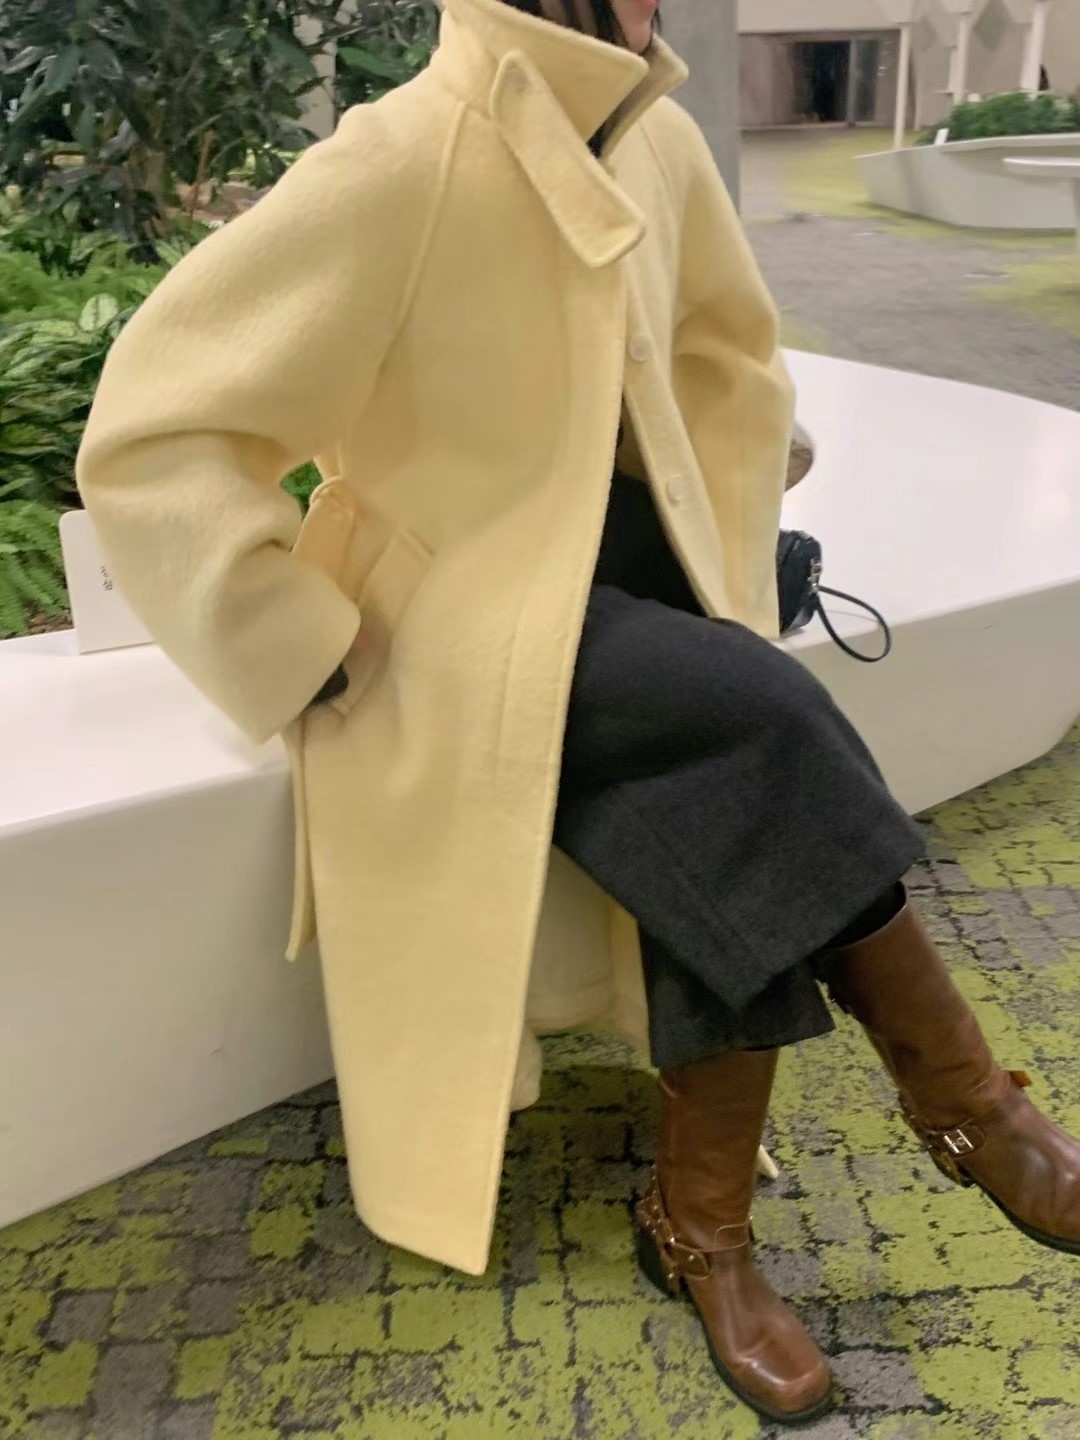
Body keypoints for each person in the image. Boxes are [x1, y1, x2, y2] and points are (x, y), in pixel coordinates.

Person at [77, 0, 1080, 1425]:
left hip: (637, 585)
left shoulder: (658, 142)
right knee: (764, 721)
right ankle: (971, 1109)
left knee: (721, 798)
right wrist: (288, 632)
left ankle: (704, 1234)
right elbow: (158, 424)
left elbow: (732, 350)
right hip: (458, 616)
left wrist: (722, 521)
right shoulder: (400, 156)